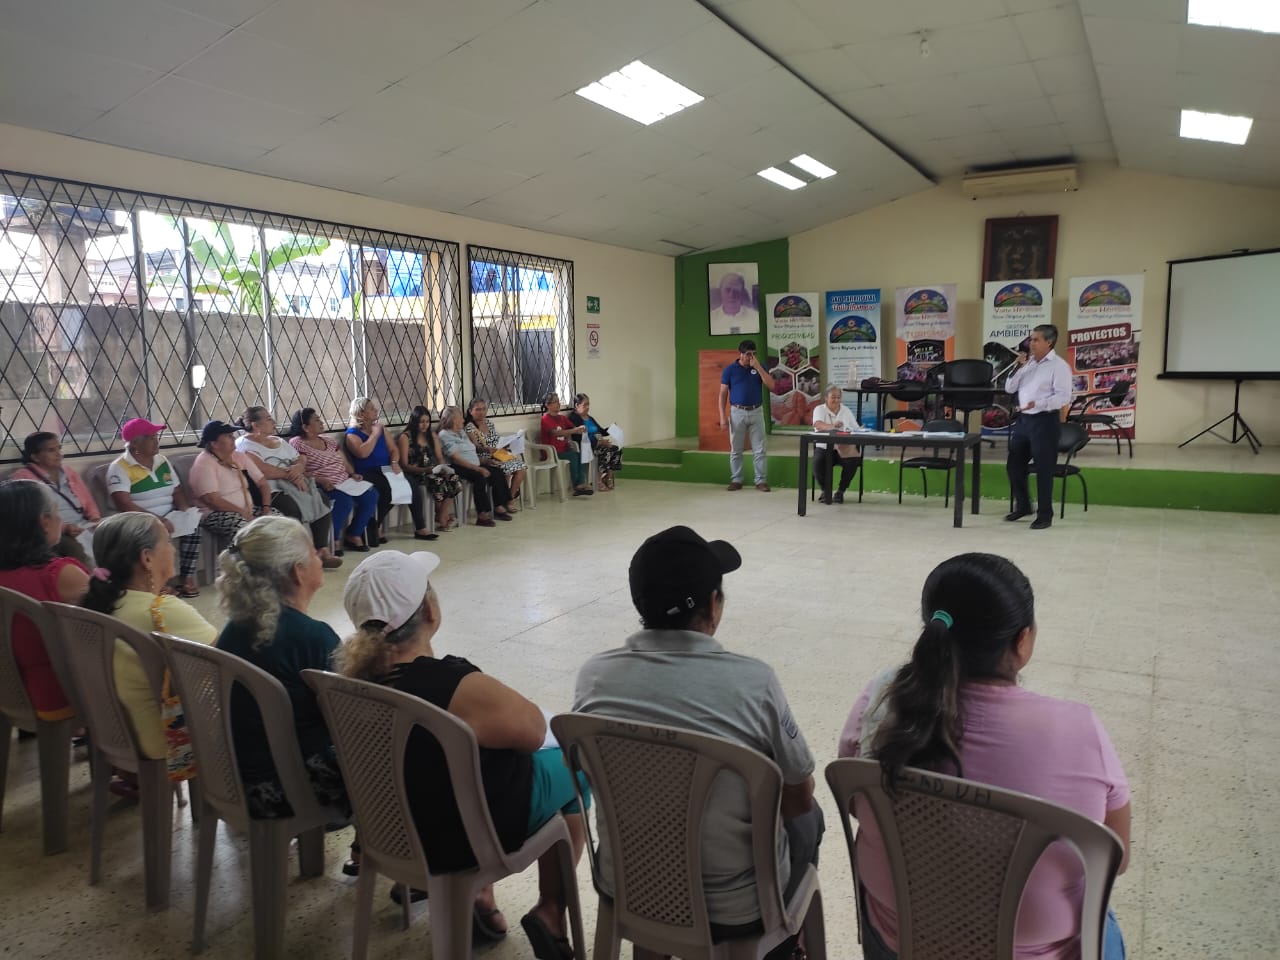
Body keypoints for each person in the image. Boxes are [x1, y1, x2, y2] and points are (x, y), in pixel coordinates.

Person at [838, 553, 1130, 960]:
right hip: (1034, 951)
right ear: (1022, 640)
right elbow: (1116, 857)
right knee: (1104, 916)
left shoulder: (881, 698)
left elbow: (856, 802)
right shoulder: (1080, 730)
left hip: (898, 940)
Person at [573, 526, 822, 950]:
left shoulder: (594, 676)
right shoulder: (754, 682)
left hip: (628, 885)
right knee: (810, 817)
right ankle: (783, 946)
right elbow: (797, 799)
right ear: (712, 604)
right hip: (735, 905)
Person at [338, 551, 589, 958]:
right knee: (575, 767)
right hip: (460, 841)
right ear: (430, 610)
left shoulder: (344, 684)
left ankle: (480, 895)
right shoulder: (452, 685)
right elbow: (533, 732)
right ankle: (549, 909)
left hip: (386, 833)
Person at [215, 516, 347, 818]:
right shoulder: (312, 636)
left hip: (234, 775)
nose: (320, 556)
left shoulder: (235, 626)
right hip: (287, 789)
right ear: (297, 571)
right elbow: (351, 719)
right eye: (314, 552)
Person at [81, 512, 216, 766]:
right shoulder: (161, 611)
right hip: (164, 740)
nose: (173, 549)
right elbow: (228, 659)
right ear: (147, 558)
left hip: (115, 732)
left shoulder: (94, 603)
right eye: (167, 542)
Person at [0, 480, 90, 722]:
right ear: (44, 521)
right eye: (57, 511)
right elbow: (101, 629)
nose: (61, 519)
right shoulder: (61, 575)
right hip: (56, 694)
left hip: (8, 690)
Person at [106, 417, 203, 599]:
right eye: (151, 438)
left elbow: (177, 490)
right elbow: (124, 503)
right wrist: (157, 520)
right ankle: (159, 584)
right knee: (155, 537)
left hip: (169, 514)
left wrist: (184, 510)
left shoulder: (161, 461)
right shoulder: (119, 467)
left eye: (156, 437)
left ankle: (187, 578)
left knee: (193, 526)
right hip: (140, 519)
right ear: (135, 443)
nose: (156, 441)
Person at [235, 406, 341, 569]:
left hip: (294, 482)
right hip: (269, 490)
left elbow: (300, 458)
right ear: (256, 425)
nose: (273, 422)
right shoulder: (244, 445)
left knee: (321, 498)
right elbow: (263, 470)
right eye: (268, 419)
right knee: (292, 508)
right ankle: (304, 555)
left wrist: (298, 469)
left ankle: (322, 550)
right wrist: (292, 475)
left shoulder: (277, 441)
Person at [1005, 324, 1073, 530]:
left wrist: (1039, 404)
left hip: (1045, 421)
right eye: (1031, 339)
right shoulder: (1029, 364)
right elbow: (1009, 388)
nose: (1031, 343)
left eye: (1036, 340)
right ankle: (1024, 506)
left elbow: (1063, 397)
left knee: (1044, 469)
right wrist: (1018, 367)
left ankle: (1045, 515)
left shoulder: (1059, 366)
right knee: (1014, 465)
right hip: (1024, 421)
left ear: (1048, 342)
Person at [287, 407, 380, 556]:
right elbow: (301, 470)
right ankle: (333, 539)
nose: (321, 422)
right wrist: (320, 480)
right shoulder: (297, 443)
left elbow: (343, 461)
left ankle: (354, 533)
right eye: (316, 420)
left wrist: (352, 474)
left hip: (344, 481)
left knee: (371, 494)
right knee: (344, 502)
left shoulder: (328, 440)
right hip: (323, 485)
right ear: (305, 427)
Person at [187, 420, 280, 550]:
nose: (233, 439)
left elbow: (262, 483)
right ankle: (238, 559)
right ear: (214, 444)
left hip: (247, 509)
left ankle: (278, 559)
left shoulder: (238, 457)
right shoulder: (204, 464)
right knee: (246, 530)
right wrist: (242, 513)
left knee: (280, 522)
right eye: (228, 436)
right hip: (215, 513)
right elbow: (212, 500)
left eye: (232, 435)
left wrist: (266, 508)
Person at [13, 431, 101, 565]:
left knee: (117, 535)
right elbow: (31, 515)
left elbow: (88, 501)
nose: (58, 454)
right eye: (51, 450)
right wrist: (65, 528)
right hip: (54, 531)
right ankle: (92, 577)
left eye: (59, 448)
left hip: (83, 524)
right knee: (77, 550)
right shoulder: (23, 477)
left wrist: (95, 518)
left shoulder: (69, 472)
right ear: (35, 457)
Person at [438, 405, 514, 527]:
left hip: (474, 464)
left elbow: (470, 452)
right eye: (461, 417)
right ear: (453, 420)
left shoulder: (461, 432)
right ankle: (482, 515)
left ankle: (499, 506)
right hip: (458, 466)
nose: (463, 420)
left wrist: (484, 461)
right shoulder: (445, 434)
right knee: (479, 476)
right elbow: (456, 458)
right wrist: (478, 468)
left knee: (497, 472)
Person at [719, 339, 776, 492]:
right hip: (737, 412)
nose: (750, 357)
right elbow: (723, 394)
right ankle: (736, 480)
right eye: (748, 354)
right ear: (740, 354)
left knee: (759, 449)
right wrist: (722, 416)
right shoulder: (730, 370)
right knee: (736, 449)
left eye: (753, 354)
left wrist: (758, 367)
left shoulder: (759, 366)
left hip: (756, 411)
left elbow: (771, 385)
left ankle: (761, 481)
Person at [345, 396, 401, 548]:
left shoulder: (381, 429)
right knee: (386, 488)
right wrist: (374, 435)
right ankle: (373, 527)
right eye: (371, 408)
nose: (376, 410)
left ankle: (375, 524)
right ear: (361, 413)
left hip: (385, 469)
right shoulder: (352, 434)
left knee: (404, 486)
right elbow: (363, 453)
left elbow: (393, 449)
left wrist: (394, 462)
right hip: (365, 472)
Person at [396, 406, 460, 538]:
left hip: (432, 470)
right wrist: (425, 470)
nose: (425, 425)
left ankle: (441, 514)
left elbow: (439, 457)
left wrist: (443, 467)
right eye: (421, 422)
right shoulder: (405, 437)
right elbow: (404, 465)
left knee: (453, 478)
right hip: (415, 472)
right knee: (437, 481)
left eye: (427, 421)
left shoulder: (432, 436)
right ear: (414, 422)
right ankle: (443, 518)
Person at [465, 398, 527, 509]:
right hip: (484, 458)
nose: (481, 412)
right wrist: (488, 449)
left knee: (522, 469)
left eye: (483, 409)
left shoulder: (489, 423)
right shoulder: (470, 427)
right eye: (478, 409)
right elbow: (476, 447)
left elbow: (497, 440)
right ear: (470, 411)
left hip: (498, 454)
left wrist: (506, 444)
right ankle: (504, 501)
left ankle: (510, 498)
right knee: (506, 471)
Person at [811, 385, 863, 505]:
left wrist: (860, 429)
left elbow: (856, 428)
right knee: (818, 462)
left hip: (844, 448)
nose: (836, 400)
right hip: (824, 448)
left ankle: (840, 492)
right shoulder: (819, 409)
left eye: (838, 397)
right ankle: (825, 491)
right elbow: (818, 424)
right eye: (833, 397)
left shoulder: (846, 410)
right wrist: (832, 426)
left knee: (853, 460)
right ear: (826, 398)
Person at [539, 393, 592, 497]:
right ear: (548, 405)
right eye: (555, 402)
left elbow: (573, 427)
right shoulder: (545, 419)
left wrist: (581, 428)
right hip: (552, 453)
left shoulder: (562, 418)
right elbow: (555, 433)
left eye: (559, 401)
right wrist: (573, 430)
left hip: (564, 450)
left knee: (581, 455)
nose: (558, 404)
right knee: (574, 456)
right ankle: (578, 485)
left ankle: (581, 483)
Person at [568, 393, 622, 491]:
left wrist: (611, 428)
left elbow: (601, 431)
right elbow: (578, 438)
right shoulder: (574, 418)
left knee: (615, 449)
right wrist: (598, 443)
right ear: (577, 405)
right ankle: (598, 480)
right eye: (585, 405)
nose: (587, 407)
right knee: (605, 451)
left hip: (597, 443)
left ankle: (608, 477)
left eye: (588, 404)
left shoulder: (590, 418)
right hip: (585, 446)